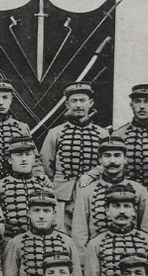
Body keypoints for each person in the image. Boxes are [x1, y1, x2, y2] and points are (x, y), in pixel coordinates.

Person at [40, 81, 108, 229]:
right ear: (67, 105)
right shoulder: (55, 133)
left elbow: (108, 163)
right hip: (62, 196)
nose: (78, 105)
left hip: (93, 193)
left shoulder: (102, 133)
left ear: (90, 103)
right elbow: (45, 163)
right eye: (74, 101)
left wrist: (91, 174)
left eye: (82, 100)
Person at [69, 136, 148, 249]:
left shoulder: (139, 190)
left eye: (117, 155)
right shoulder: (86, 192)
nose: (112, 161)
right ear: (99, 159)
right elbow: (79, 235)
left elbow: (146, 230)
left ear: (125, 159)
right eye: (107, 155)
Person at [2, 191, 82, 276]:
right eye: (36, 210)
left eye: (46, 211)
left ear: (54, 213)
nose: (41, 216)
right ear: (28, 213)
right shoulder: (16, 243)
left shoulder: (66, 242)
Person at [0, 137, 54, 240]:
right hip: (9, 245)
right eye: (19, 155)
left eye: (28, 155)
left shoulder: (45, 186)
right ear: (10, 160)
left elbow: (56, 224)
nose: (24, 159)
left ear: (34, 159)